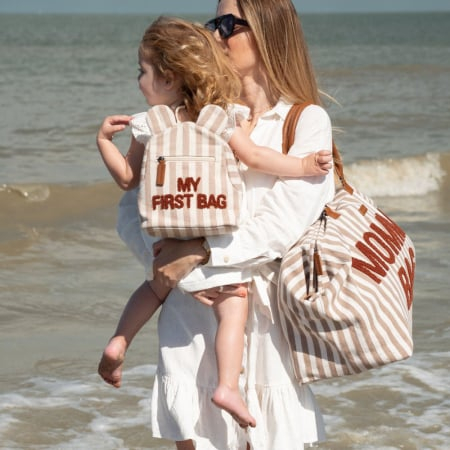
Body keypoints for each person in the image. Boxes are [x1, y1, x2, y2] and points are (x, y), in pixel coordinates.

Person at [114, 0, 337, 448]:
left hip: (267, 327)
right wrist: (173, 270)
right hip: (188, 322)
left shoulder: (304, 121)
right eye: (212, 23)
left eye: (228, 24)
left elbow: (283, 223)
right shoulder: (189, 112)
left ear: (268, 32)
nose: (214, 34)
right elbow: (132, 209)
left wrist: (200, 255)